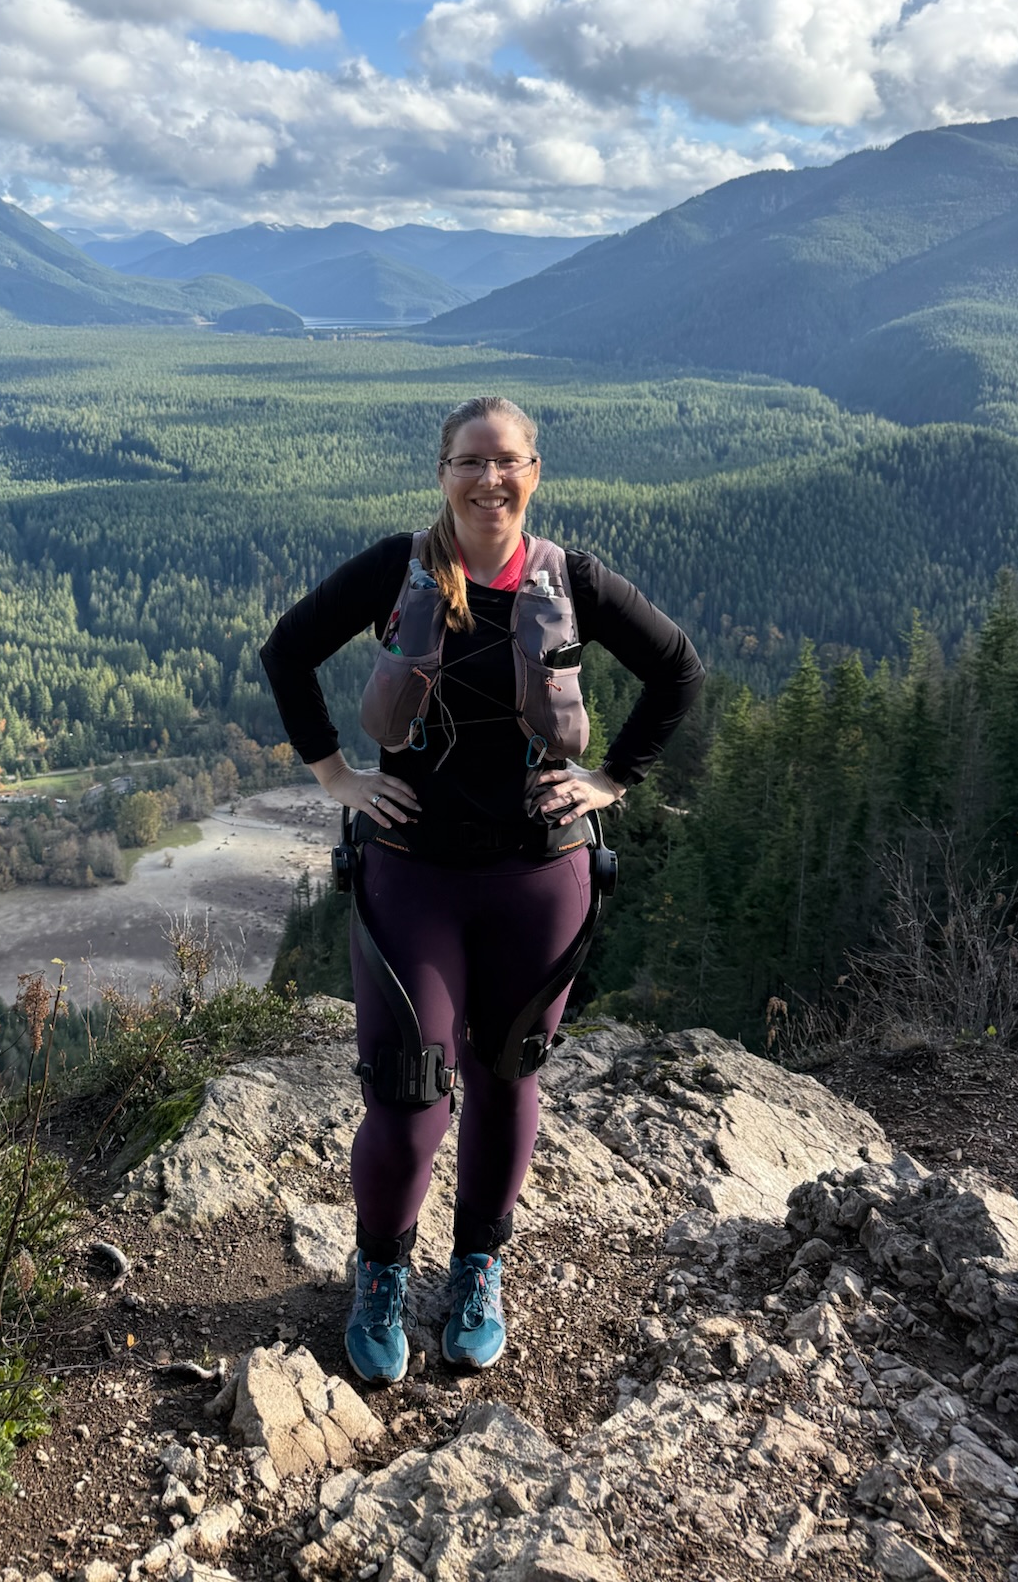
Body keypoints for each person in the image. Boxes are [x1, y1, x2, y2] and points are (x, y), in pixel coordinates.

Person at [259, 395, 703, 1383]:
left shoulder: (571, 579)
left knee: (508, 1077)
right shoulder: (394, 570)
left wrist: (613, 777)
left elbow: (676, 667)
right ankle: (379, 1271)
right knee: (410, 1095)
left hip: (540, 875)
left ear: (534, 471)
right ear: (443, 470)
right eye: (470, 461)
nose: (487, 479)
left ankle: (477, 1267)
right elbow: (287, 650)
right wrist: (335, 773)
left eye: (506, 462)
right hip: (413, 873)